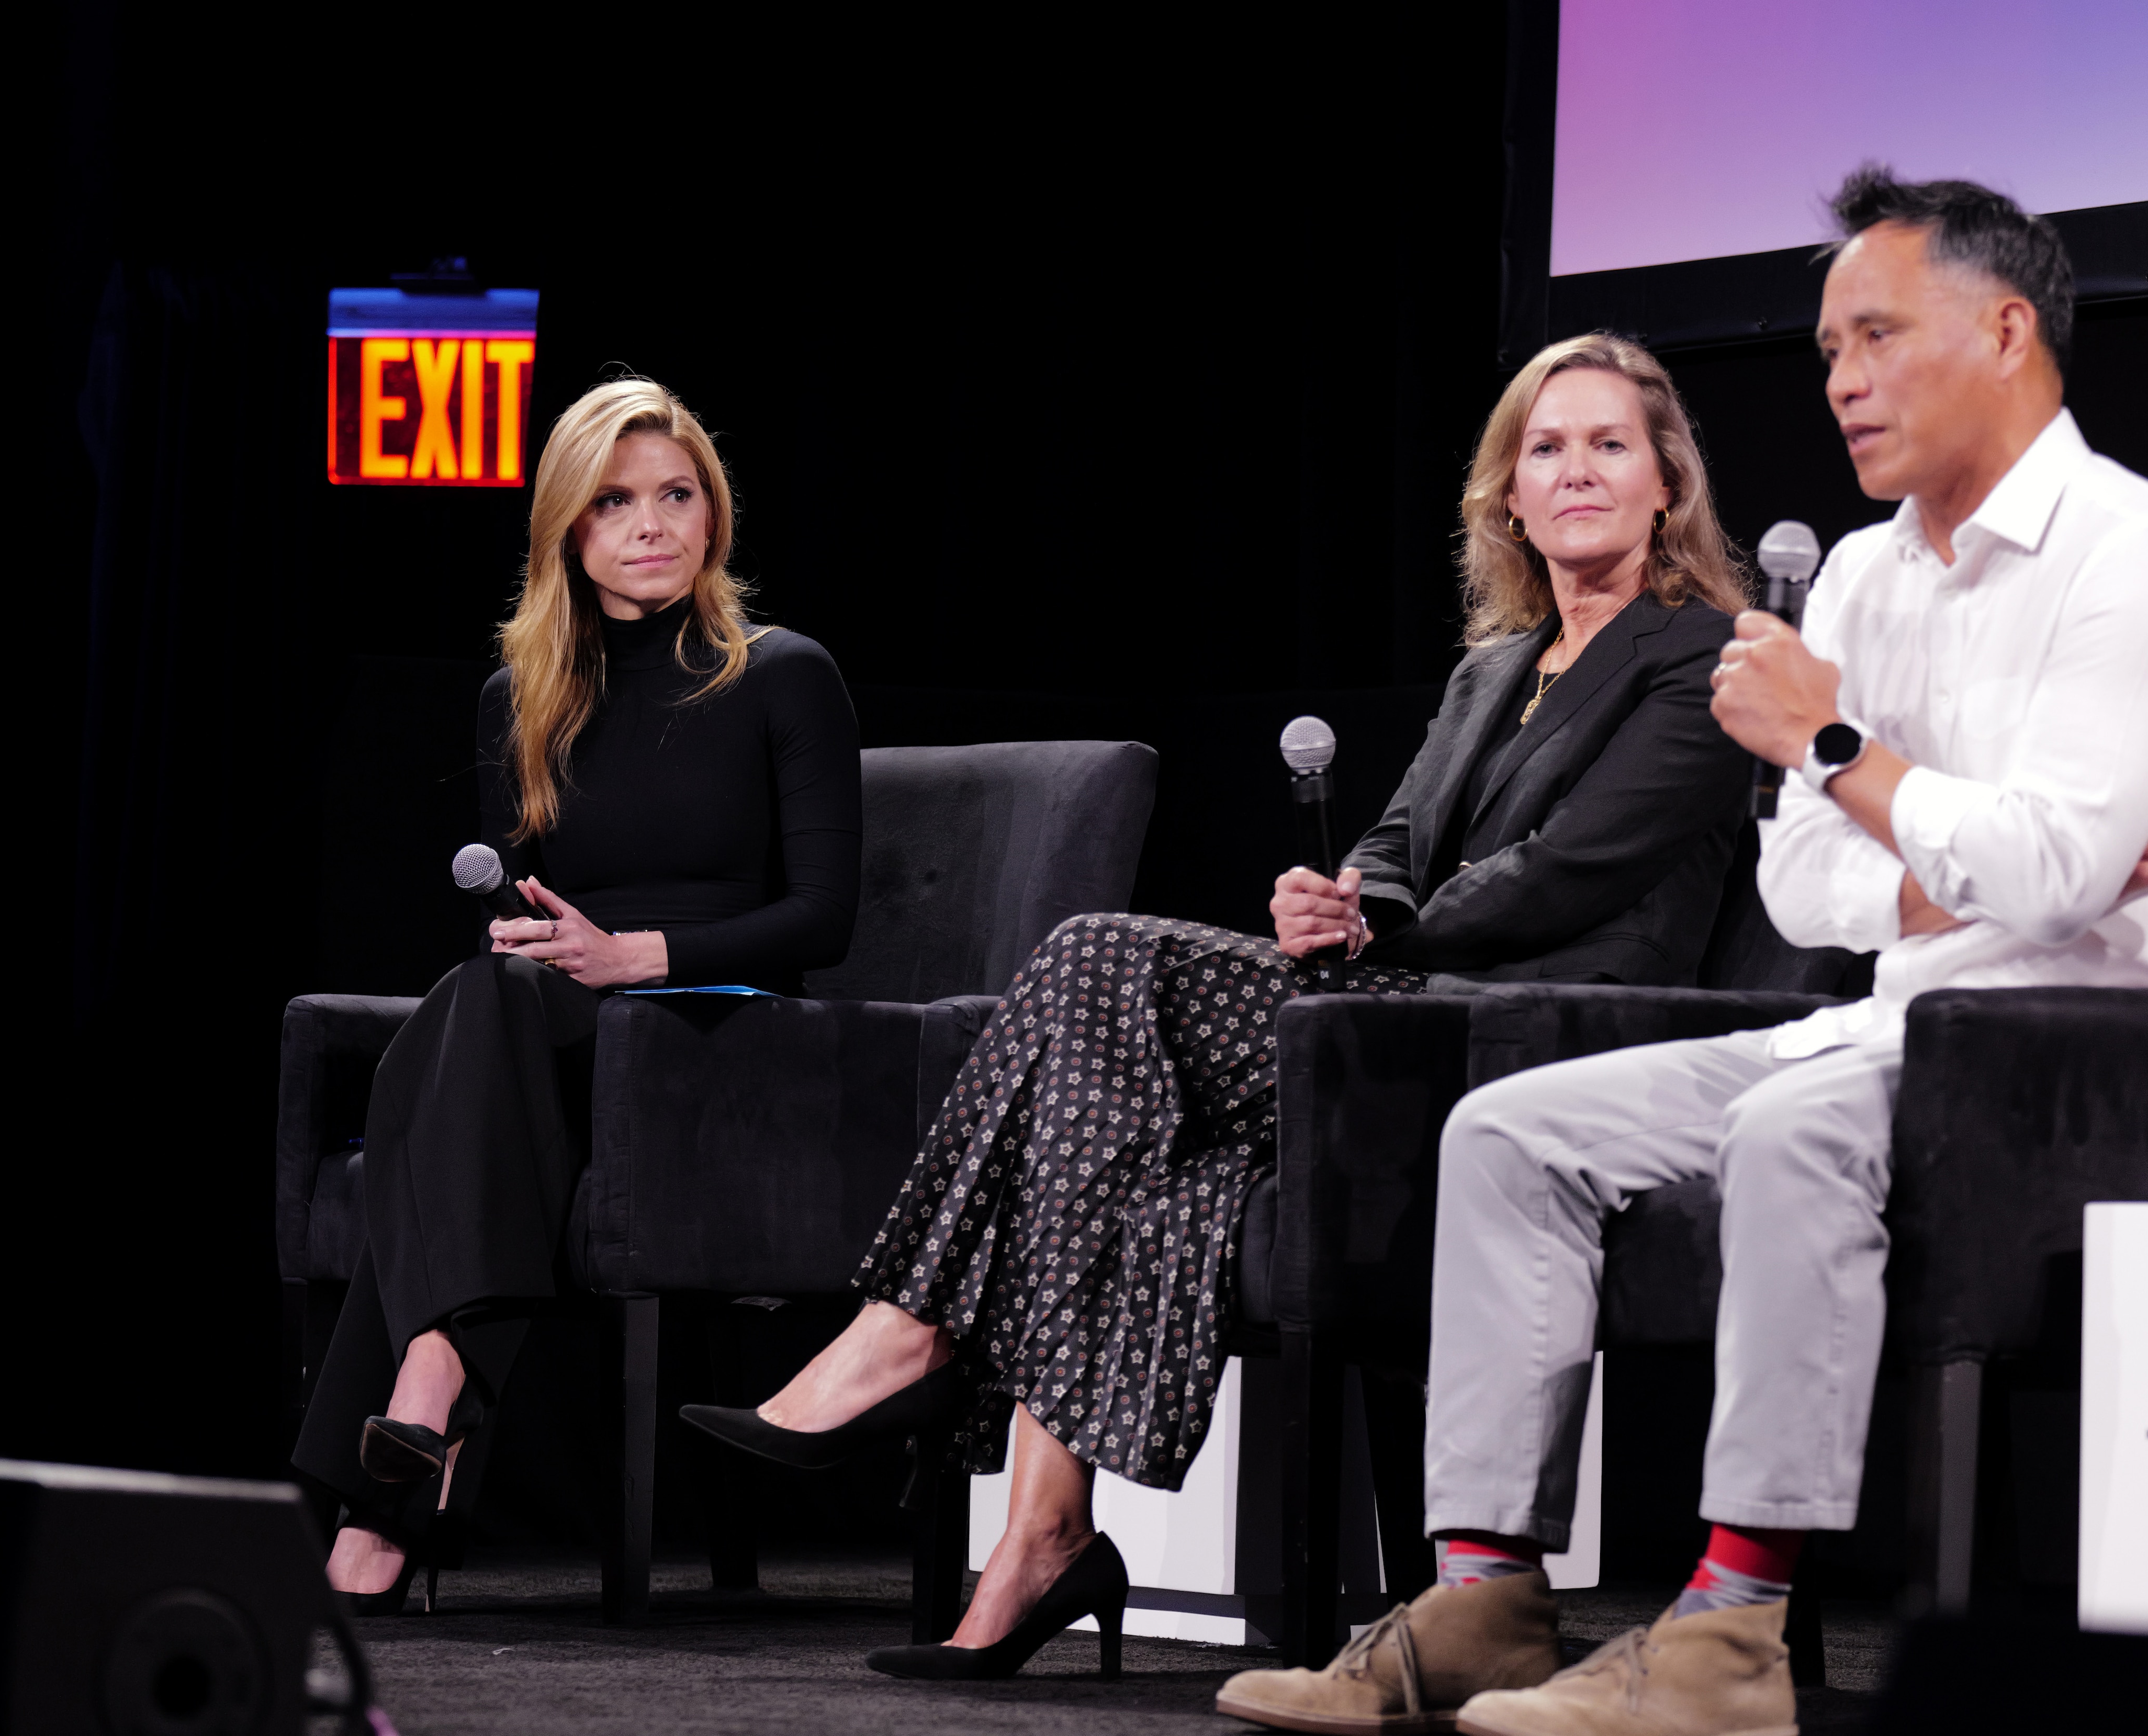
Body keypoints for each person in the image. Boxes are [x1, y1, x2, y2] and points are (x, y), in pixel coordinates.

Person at [1217, 166, 2148, 1736]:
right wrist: (1959, 857)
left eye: (1876, 334)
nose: (1841, 378)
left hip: (2107, 1050)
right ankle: (1485, 1590)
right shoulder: (1858, 573)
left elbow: (2049, 880)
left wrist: (1847, 751)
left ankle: (1729, 1627)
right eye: (1827, 346)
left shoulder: (2142, 552)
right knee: (1511, 1130)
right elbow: (1808, 885)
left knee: (1794, 1125)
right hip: (1909, 1019)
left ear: (2004, 331)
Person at [681, 332, 1757, 1678]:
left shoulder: (1706, 656)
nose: (1578, 470)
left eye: (1610, 444)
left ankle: (908, 1332)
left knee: (1093, 959)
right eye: (1548, 447)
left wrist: (1384, 919)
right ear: (1508, 497)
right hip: (1396, 1010)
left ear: (1667, 483)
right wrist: (1340, 894)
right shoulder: (1497, 670)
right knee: (1146, 1150)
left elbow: (1582, 865)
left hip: (1541, 1036)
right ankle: (1040, 1538)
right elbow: (1396, 839)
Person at [294, 378, 862, 1611]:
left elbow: (824, 919)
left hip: (721, 1034)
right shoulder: (524, 698)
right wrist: (567, 961)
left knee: (446, 1042)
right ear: (568, 527)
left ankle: (413, 1420)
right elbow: (521, 921)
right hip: (556, 1034)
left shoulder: (782, 676)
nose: (651, 524)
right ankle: (423, 1403)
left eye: (676, 495)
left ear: (712, 514)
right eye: (615, 503)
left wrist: (639, 955)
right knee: (481, 993)